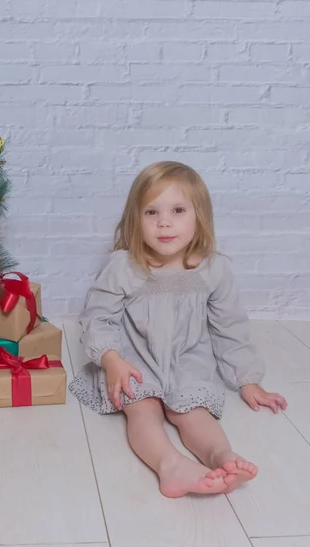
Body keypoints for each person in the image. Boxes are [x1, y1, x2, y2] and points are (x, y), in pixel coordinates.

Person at [69, 161, 287, 498]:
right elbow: (98, 317)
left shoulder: (213, 269)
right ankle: (169, 465)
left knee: (193, 411)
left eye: (178, 210)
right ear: (135, 220)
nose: (164, 222)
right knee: (144, 410)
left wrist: (247, 378)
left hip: (188, 358)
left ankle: (220, 456)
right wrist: (111, 360)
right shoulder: (124, 267)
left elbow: (229, 326)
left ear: (199, 216)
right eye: (151, 212)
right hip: (134, 357)